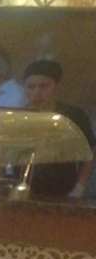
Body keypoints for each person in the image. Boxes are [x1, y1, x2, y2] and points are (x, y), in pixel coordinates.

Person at [22, 59, 95, 198]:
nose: (37, 92)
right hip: (22, 187)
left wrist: (80, 186)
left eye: (44, 86)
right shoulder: (19, 116)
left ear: (56, 86)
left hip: (62, 188)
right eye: (31, 87)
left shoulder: (74, 115)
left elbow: (90, 152)